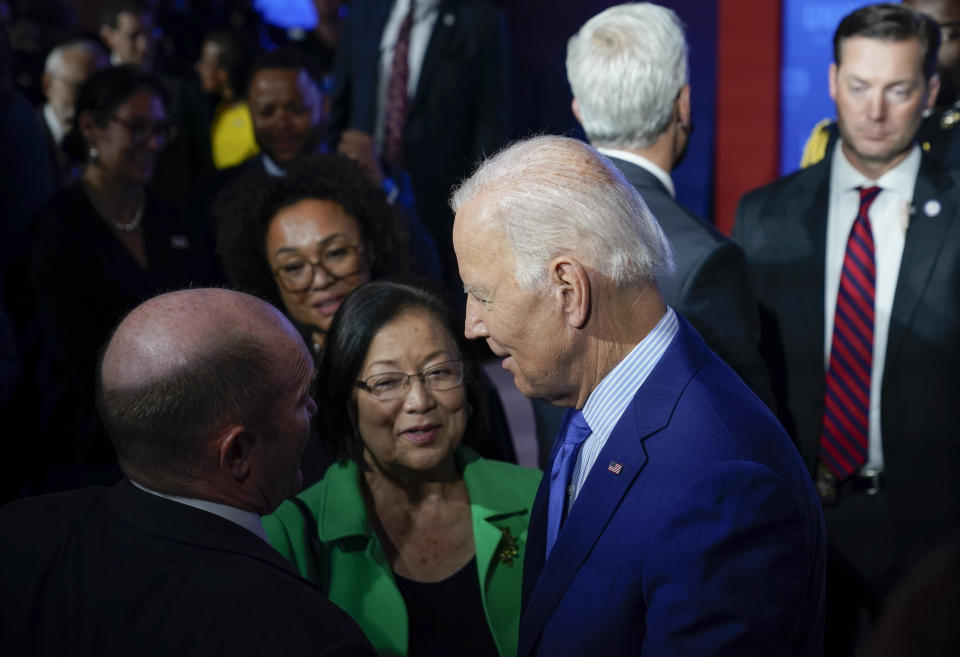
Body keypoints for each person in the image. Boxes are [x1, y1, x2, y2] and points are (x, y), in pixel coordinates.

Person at [452, 135, 826, 657]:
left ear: (569, 290)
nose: (471, 324)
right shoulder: (593, 399)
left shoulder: (724, 485)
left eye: (484, 295)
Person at [733, 5, 960, 655]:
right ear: (831, 81)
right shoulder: (764, 215)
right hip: (803, 518)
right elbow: (750, 378)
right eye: (859, 87)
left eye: (898, 89)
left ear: (931, 92)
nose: (875, 110)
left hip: (934, 527)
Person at [0, 288, 376, 657]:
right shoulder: (308, 637)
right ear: (237, 454)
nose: (313, 408)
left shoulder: (17, 534)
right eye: (300, 399)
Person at [521, 1, 775, 467]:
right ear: (683, 103)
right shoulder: (705, 260)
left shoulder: (533, 232)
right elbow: (749, 442)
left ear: (578, 106)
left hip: (561, 516)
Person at [263, 280, 541, 657]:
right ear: (347, 399)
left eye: (440, 372)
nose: (419, 401)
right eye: (387, 382)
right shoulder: (291, 533)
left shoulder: (540, 498)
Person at [26, 65, 219, 493]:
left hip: (184, 439)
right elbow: (65, 358)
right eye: (136, 127)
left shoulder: (174, 219)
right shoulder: (57, 230)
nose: (152, 143)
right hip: (89, 453)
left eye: (160, 130)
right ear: (91, 128)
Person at [199, 48, 441, 281]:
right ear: (250, 113)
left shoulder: (374, 176)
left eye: (296, 109)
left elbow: (425, 268)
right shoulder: (220, 193)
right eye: (266, 111)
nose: (281, 123)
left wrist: (380, 185)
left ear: (324, 106)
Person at [328, 0, 512, 291]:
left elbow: (490, 122)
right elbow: (341, 96)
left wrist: (476, 207)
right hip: (363, 184)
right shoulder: (365, 10)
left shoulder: (480, 21)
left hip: (436, 203)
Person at [39, 39, 107, 186]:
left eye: (98, 90)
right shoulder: (24, 135)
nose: (90, 99)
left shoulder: (107, 140)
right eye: (78, 87)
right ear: (48, 85)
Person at [194, 27, 258, 170]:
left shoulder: (254, 116)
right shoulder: (218, 109)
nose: (198, 68)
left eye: (205, 62)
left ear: (223, 73)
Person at [98, 0, 156, 70]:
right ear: (107, 37)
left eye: (149, 33)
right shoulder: (97, 77)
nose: (145, 46)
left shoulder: (166, 73)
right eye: (133, 36)